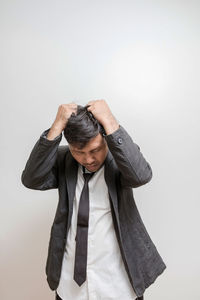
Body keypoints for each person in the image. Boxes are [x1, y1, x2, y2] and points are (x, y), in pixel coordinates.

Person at [21, 100, 166, 300]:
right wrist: (56, 127)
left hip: (117, 282)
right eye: (79, 152)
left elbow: (141, 176)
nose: (88, 159)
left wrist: (109, 121)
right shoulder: (65, 160)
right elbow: (31, 179)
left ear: (105, 139)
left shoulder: (120, 159)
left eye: (95, 150)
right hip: (70, 284)